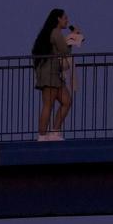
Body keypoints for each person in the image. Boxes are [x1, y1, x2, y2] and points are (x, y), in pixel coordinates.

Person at [31, 8, 73, 141]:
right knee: (48, 104)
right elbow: (64, 50)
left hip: (52, 73)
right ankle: (42, 136)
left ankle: (54, 132)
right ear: (58, 19)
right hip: (50, 74)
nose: (67, 20)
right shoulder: (55, 32)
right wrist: (73, 38)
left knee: (66, 101)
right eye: (65, 18)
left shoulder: (48, 32)